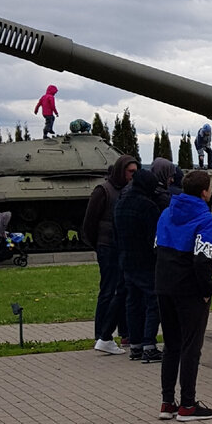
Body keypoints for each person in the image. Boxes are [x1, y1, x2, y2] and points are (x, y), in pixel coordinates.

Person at [155, 170, 212, 422]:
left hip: (164, 284)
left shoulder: (166, 213)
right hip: (190, 290)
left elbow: (156, 247)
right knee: (191, 347)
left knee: (171, 344)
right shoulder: (206, 219)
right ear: (204, 192)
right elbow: (203, 258)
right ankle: (189, 405)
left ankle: (167, 402)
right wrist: (206, 290)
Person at [81, 154, 138, 355]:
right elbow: (89, 223)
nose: (134, 175)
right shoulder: (103, 190)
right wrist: (98, 245)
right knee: (108, 291)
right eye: (131, 171)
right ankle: (101, 335)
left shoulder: (129, 190)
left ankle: (125, 332)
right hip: (108, 248)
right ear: (121, 170)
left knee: (123, 290)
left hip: (122, 248)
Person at [114, 168, 163, 363]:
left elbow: (115, 235)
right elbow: (154, 237)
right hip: (146, 261)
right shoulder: (147, 206)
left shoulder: (120, 204)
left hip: (126, 259)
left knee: (133, 302)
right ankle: (149, 345)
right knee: (154, 300)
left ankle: (135, 345)